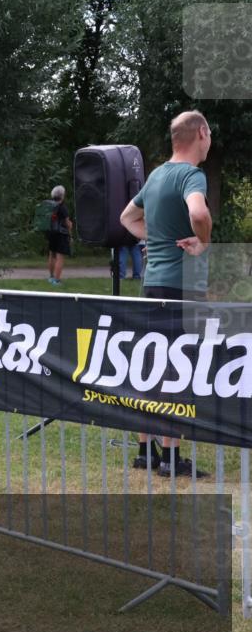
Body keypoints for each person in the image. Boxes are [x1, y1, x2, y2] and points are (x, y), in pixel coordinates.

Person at [120, 110, 213, 478]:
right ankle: (172, 457)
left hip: (153, 283)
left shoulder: (157, 175)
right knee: (178, 369)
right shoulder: (192, 175)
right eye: (209, 135)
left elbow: (126, 218)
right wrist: (203, 241)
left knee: (152, 367)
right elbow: (199, 212)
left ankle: (146, 450)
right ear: (201, 133)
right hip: (183, 286)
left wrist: (155, 239)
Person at [45, 185, 73, 285]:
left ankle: (51, 277)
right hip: (61, 234)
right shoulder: (62, 207)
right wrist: (70, 232)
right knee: (60, 257)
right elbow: (67, 223)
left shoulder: (49, 205)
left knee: (52, 255)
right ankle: (56, 280)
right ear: (62, 195)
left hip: (51, 233)